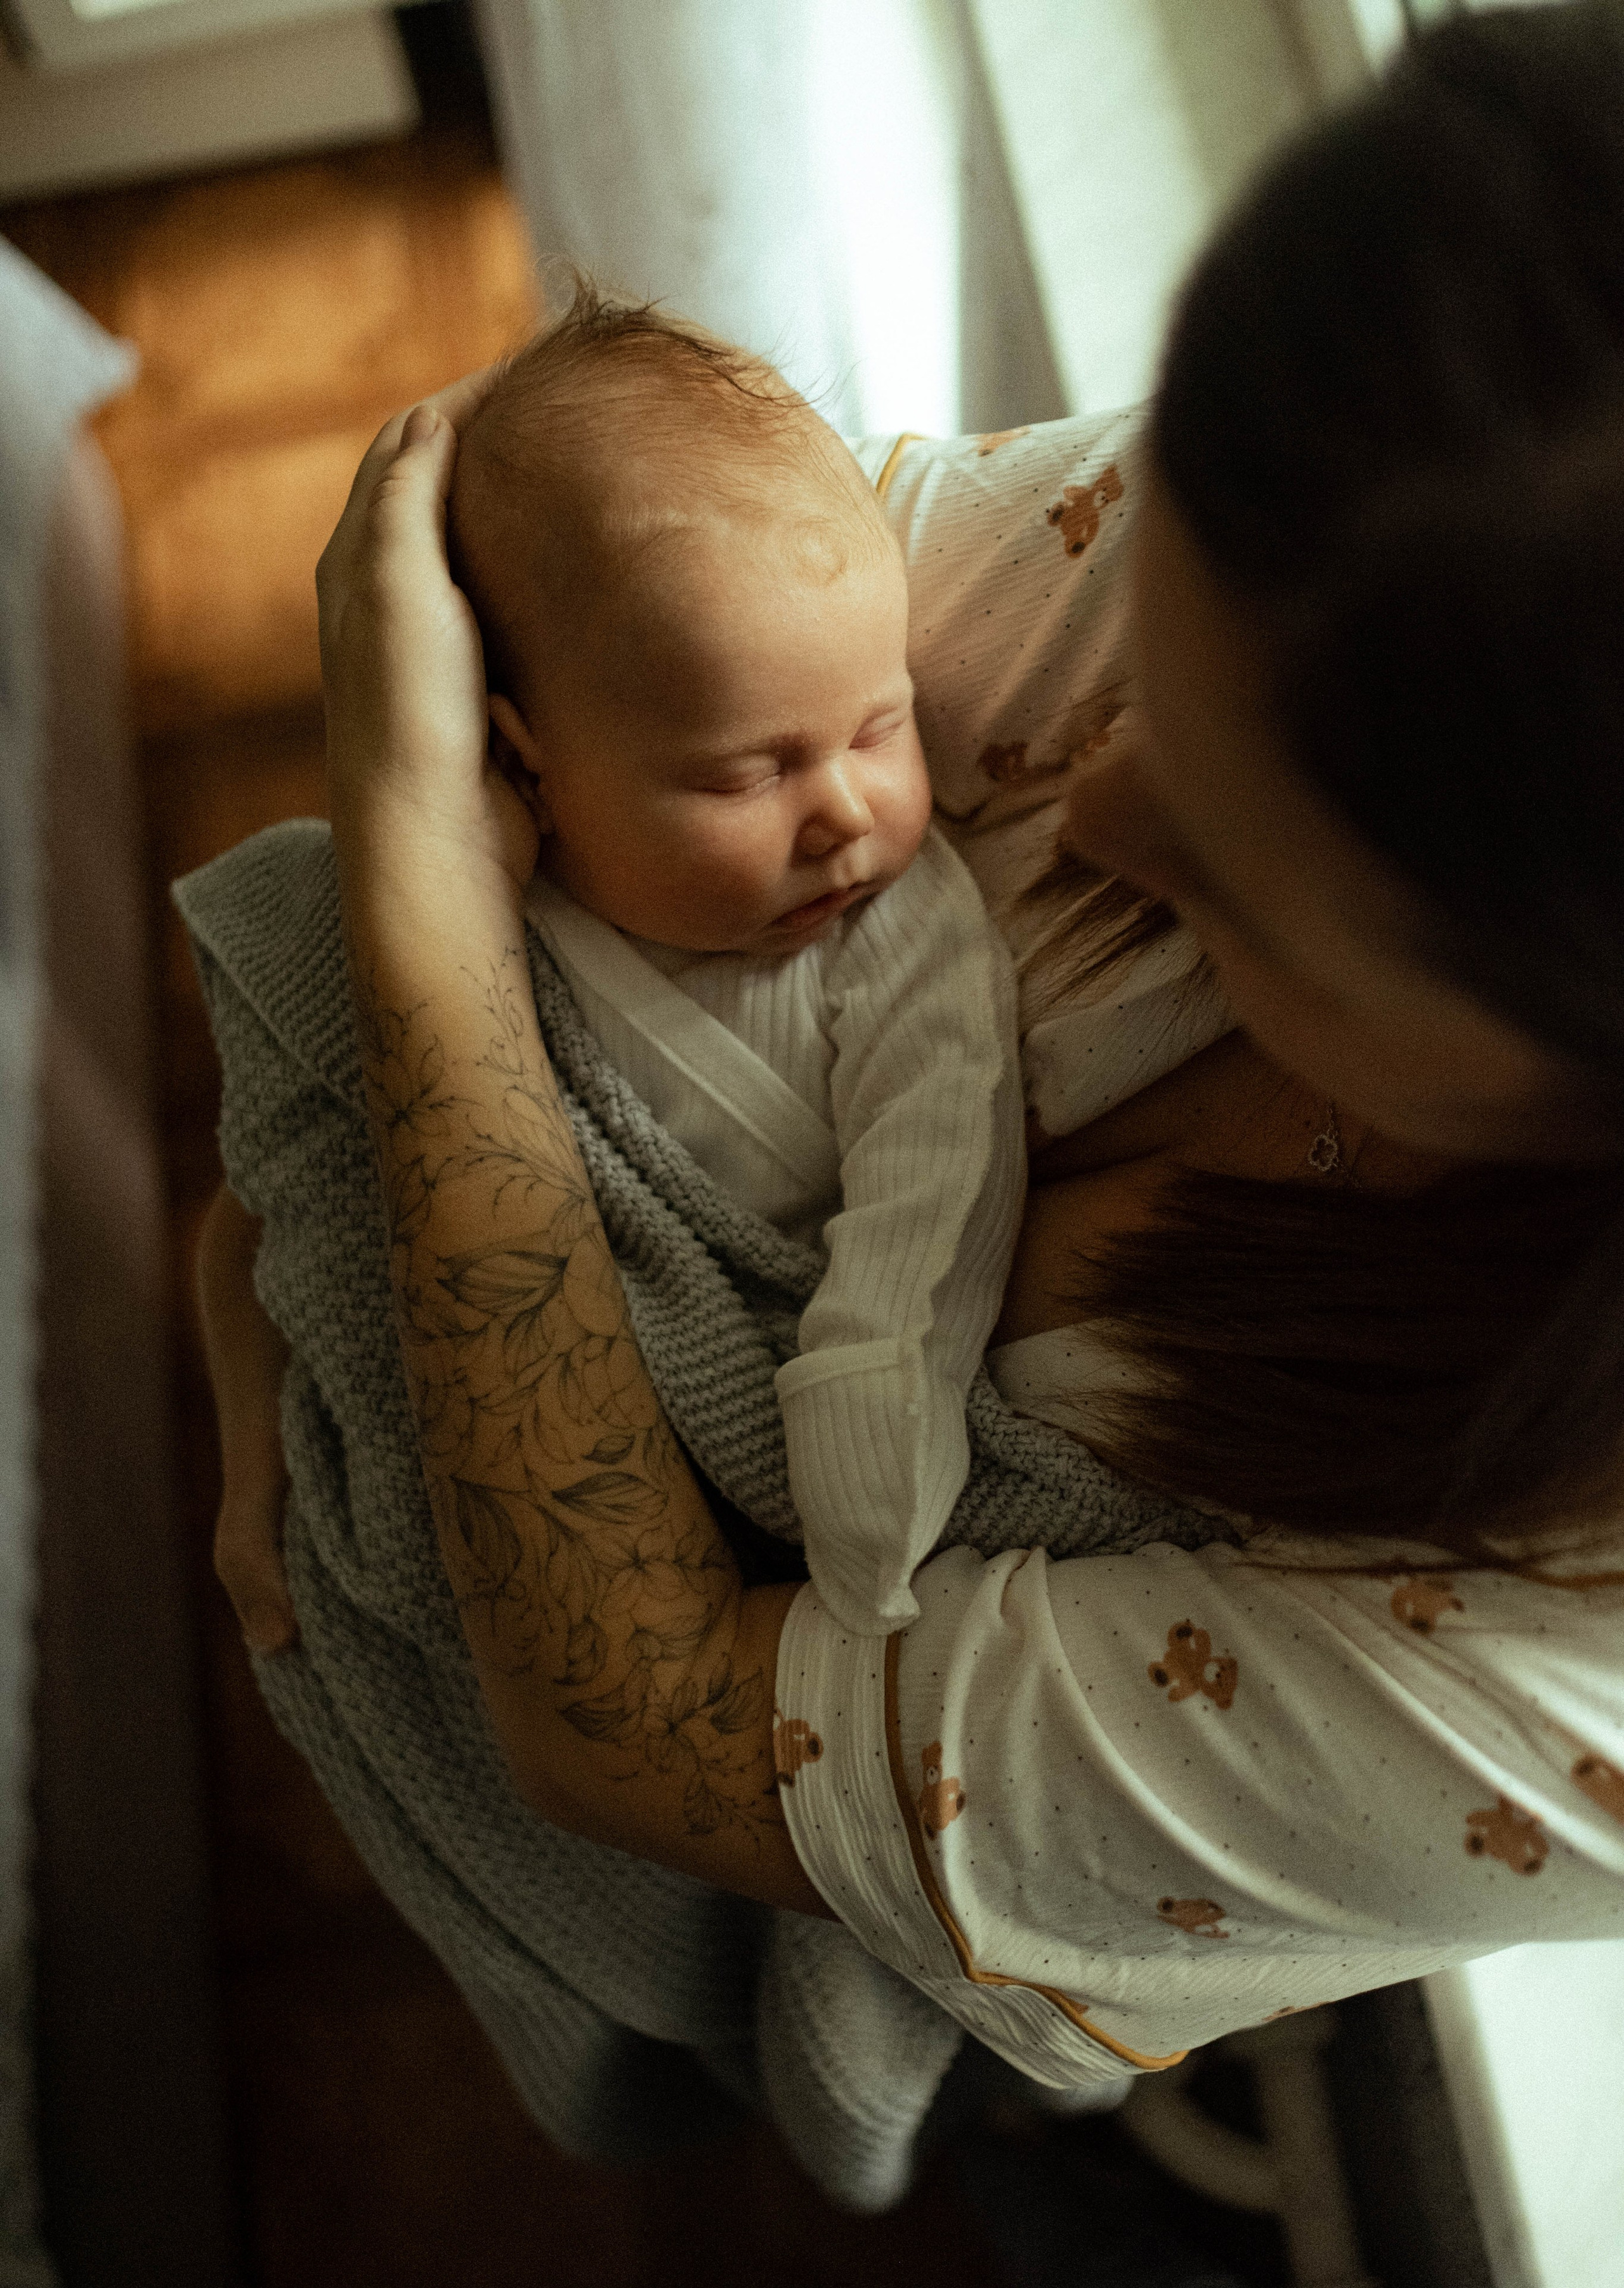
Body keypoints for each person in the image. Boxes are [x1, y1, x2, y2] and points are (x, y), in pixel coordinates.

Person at [199, 2, 1624, 2102]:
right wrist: (257, 1281)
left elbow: (638, 1737)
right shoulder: (1453, 496)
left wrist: (420, 889)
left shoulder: (1569, 1678)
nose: (1094, 811)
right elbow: (652, 591)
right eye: (1148, 672)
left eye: (1238, 871)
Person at [445, 286, 1023, 1638]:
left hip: (741, 1422)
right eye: (748, 771)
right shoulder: (489, 906)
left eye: (878, 725)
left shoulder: (896, 924)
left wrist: (871, 1417)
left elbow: (939, 1166)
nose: (840, 810)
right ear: (534, 758)